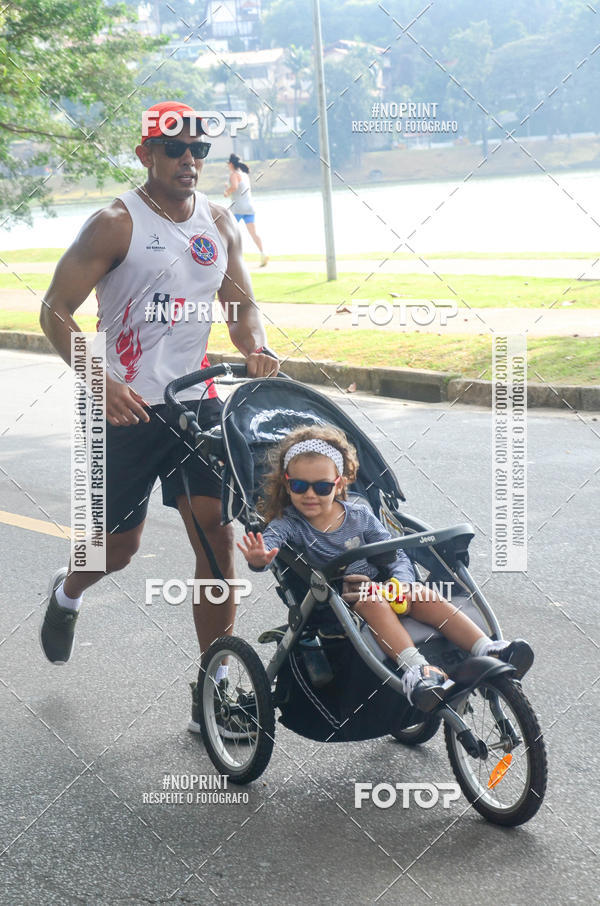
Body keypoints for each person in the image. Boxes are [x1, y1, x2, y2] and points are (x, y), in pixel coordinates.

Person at [39, 100, 279, 732]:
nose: (191, 161)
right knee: (117, 550)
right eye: (176, 149)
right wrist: (103, 382)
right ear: (145, 153)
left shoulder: (219, 222)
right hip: (126, 409)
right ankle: (66, 592)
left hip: (196, 406)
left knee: (216, 538)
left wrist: (253, 343)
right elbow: (55, 312)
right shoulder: (113, 225)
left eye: (200, 150)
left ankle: (214, 687)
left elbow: (241, 304)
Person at [237, 425, 534, 712]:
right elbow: (268, 546)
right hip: (340, 604)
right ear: (287, 483)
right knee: (371, 598)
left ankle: (486, 647)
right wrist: (259, 557)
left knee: (421, 594)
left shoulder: (360, 515)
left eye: (322, 486)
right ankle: (417, 671)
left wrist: (402, 582)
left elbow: (394, 552)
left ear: (339, 483)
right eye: (299, 486)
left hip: (385, 588)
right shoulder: (289, 523)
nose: (310, 494)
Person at [224, 153, 268, 267]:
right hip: (249, 207)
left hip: (238, 208)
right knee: (253, 233)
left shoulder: (234, 174)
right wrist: (228, 189)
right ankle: (263, 254)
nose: (228, 166)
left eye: (228, 164)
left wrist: (226, 192)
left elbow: (234, 187)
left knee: (231, 232)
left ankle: (233, 259)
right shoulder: (244, 174)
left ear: (231, 164)